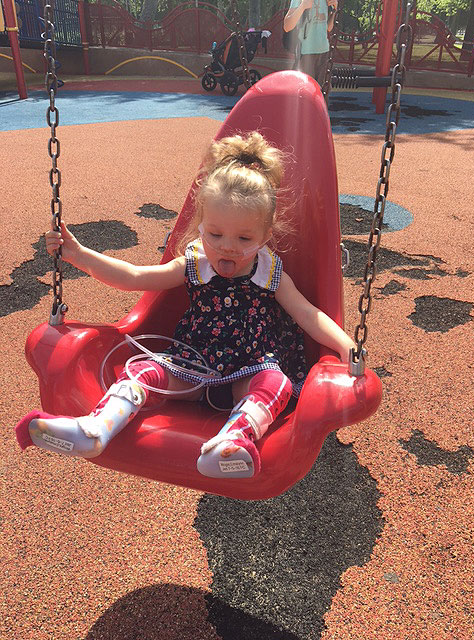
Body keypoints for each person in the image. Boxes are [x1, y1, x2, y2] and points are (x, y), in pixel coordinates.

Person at [15, 132, 355, 479]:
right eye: (216, 234)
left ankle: (233, 441)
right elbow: (133, 277)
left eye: (244, 238)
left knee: (277, 383)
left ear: (265, 236)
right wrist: (79, 255)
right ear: (200, 227)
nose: (228, 248)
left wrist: (346, 345)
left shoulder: (270, 273)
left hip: (250, 367)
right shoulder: (194, 264)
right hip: (192, 366)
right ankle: (95, 429)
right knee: (143, 372)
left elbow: (305, 313)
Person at [283, 0, 338, 87]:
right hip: (305, 53)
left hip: (323, 52)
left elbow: (328, 28)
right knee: (305, 91)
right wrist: (302, 6)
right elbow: (287, 26)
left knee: (322, 94)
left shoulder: (326, 1)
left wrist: (334, 11)